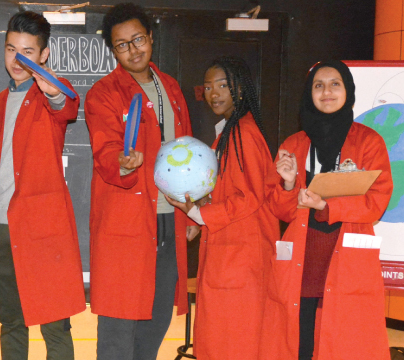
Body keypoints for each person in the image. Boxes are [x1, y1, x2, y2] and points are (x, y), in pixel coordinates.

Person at [0, 10, 85, 360]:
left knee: (54, 324)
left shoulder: (49, 95)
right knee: (12, 321)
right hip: (1, 230)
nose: (16, 59)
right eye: (10, 48)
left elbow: (67, 105)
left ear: (43, 55)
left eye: (27, 51)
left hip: (43, 231)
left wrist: (55, 92)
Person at [260, 60, 393, 360]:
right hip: (301, 263)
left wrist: (326, 205)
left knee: (345, 342)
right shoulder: (294, 144)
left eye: (335, 84)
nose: (327, 92)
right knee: (301, 342)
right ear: (309, 94)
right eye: (318, 86)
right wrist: (287, 184)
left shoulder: (369, 142)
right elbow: (279, 210)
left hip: (347, 261)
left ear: (348, 90)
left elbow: (377, 201)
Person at [84, 3, 193, 359]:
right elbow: (106, 152)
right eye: (122, 45)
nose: (133, 50)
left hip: (169, 218)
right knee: (119, 327)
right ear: (112, 50)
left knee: (156, 322)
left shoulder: (172, 88)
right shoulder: (103, 94)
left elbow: (188, 155)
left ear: (151, 37)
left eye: (138, 39)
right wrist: (124, 162)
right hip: (126, 221)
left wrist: (192, 211)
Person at [166, 56, 280, 359]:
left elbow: (250, 197)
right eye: (208, 87)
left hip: (242, 258)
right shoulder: (231, 130)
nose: (214, 93)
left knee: (235, 342)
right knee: (222, 340)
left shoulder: (243, 133)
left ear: (240, 89)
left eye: (223, 86)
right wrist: (200, 204)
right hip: (231, 253)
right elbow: (229, 190)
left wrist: (197, 212)